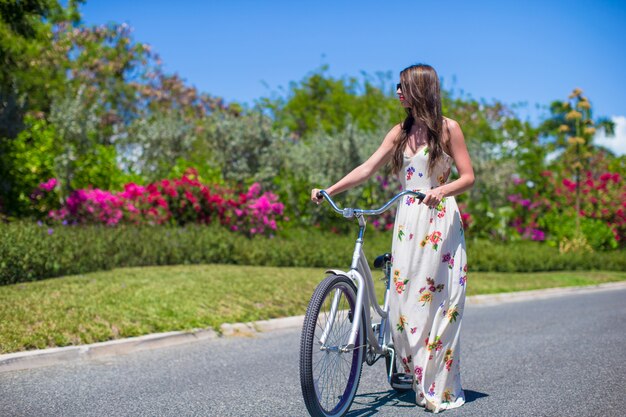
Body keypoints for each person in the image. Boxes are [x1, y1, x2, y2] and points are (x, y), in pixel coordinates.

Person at [310, 63, 474, 413]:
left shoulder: (448, 129)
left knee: (433, 300)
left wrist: (441, 190)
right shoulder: (399, 132)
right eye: (397, 86)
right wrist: (330, 189)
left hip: (439, 218)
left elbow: (469, 177)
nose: (397, 91)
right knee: (402, 302)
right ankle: (411, 367)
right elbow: (366, 169)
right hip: (407, 219)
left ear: (419, 88)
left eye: (402, 86)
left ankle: (436, 382)